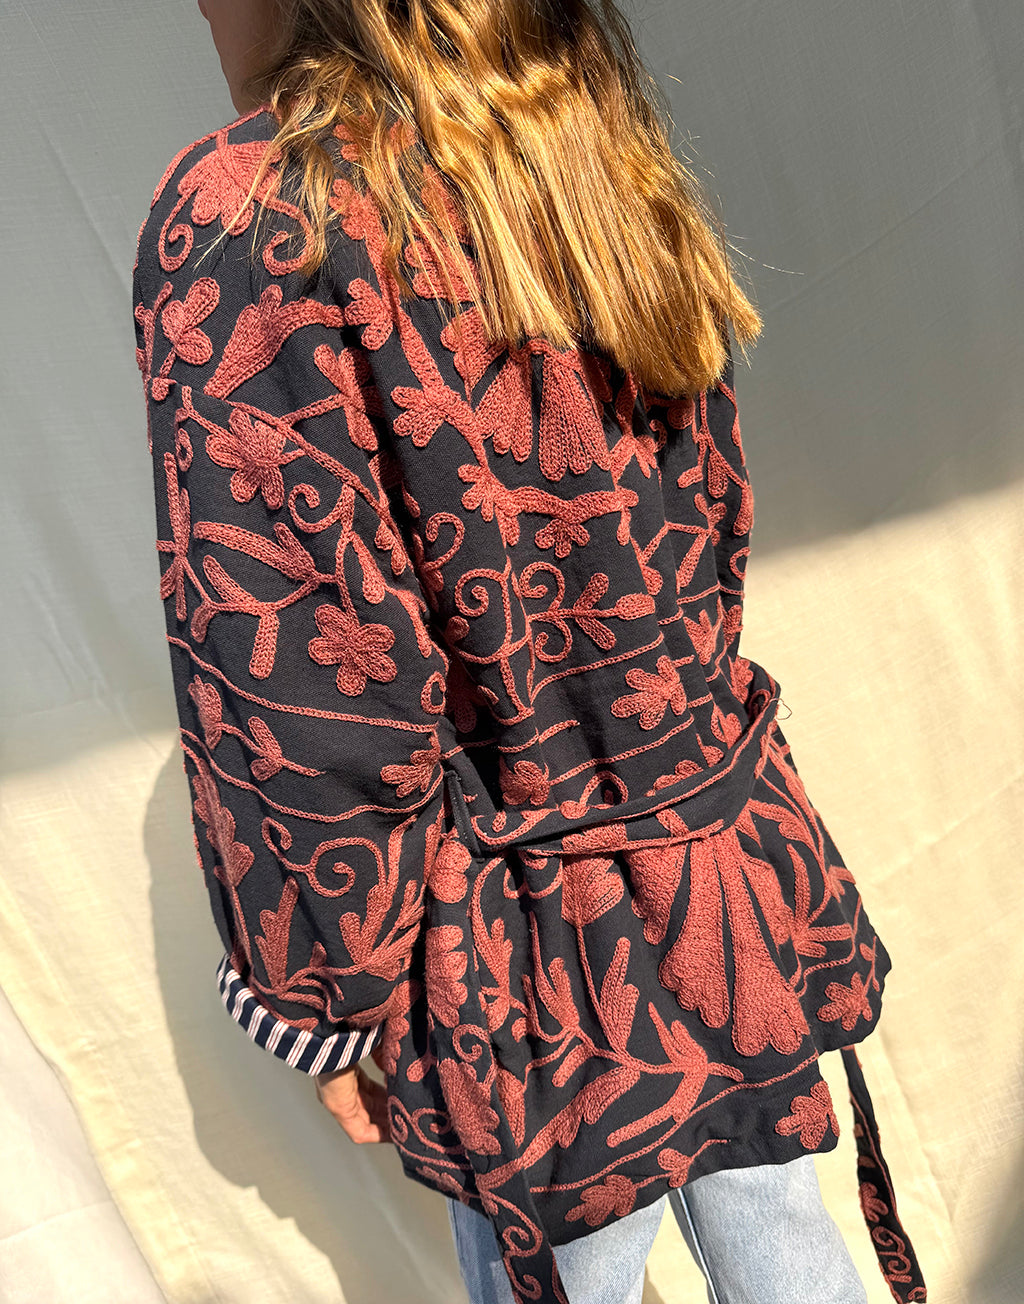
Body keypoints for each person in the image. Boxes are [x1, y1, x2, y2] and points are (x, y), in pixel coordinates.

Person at [132, 2, 927, 1301]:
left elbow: (301, 681)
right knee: (788, 1252)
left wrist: (324, 988)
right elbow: (703, 514)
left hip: (520, 958)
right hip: (720, 864)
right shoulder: (565, 130)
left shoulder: (254, 220)